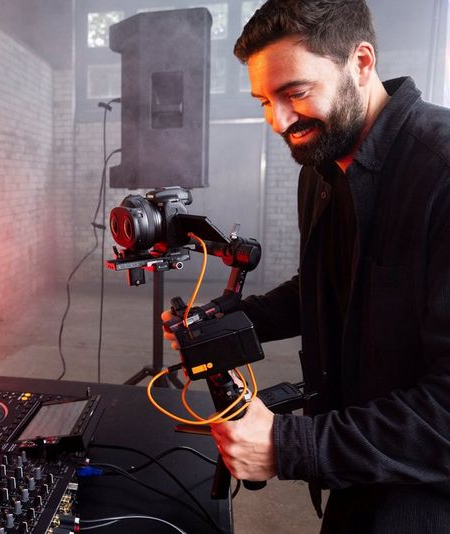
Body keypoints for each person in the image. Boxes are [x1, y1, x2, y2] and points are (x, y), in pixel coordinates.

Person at [164, 0, 450, 531]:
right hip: (355, 473)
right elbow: (324, 288)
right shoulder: (320, 167)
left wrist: (291, 445)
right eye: (263, 101)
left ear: (361, 63)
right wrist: (225, 325)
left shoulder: (441, 172)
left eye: (295, 92)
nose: (278, 120)